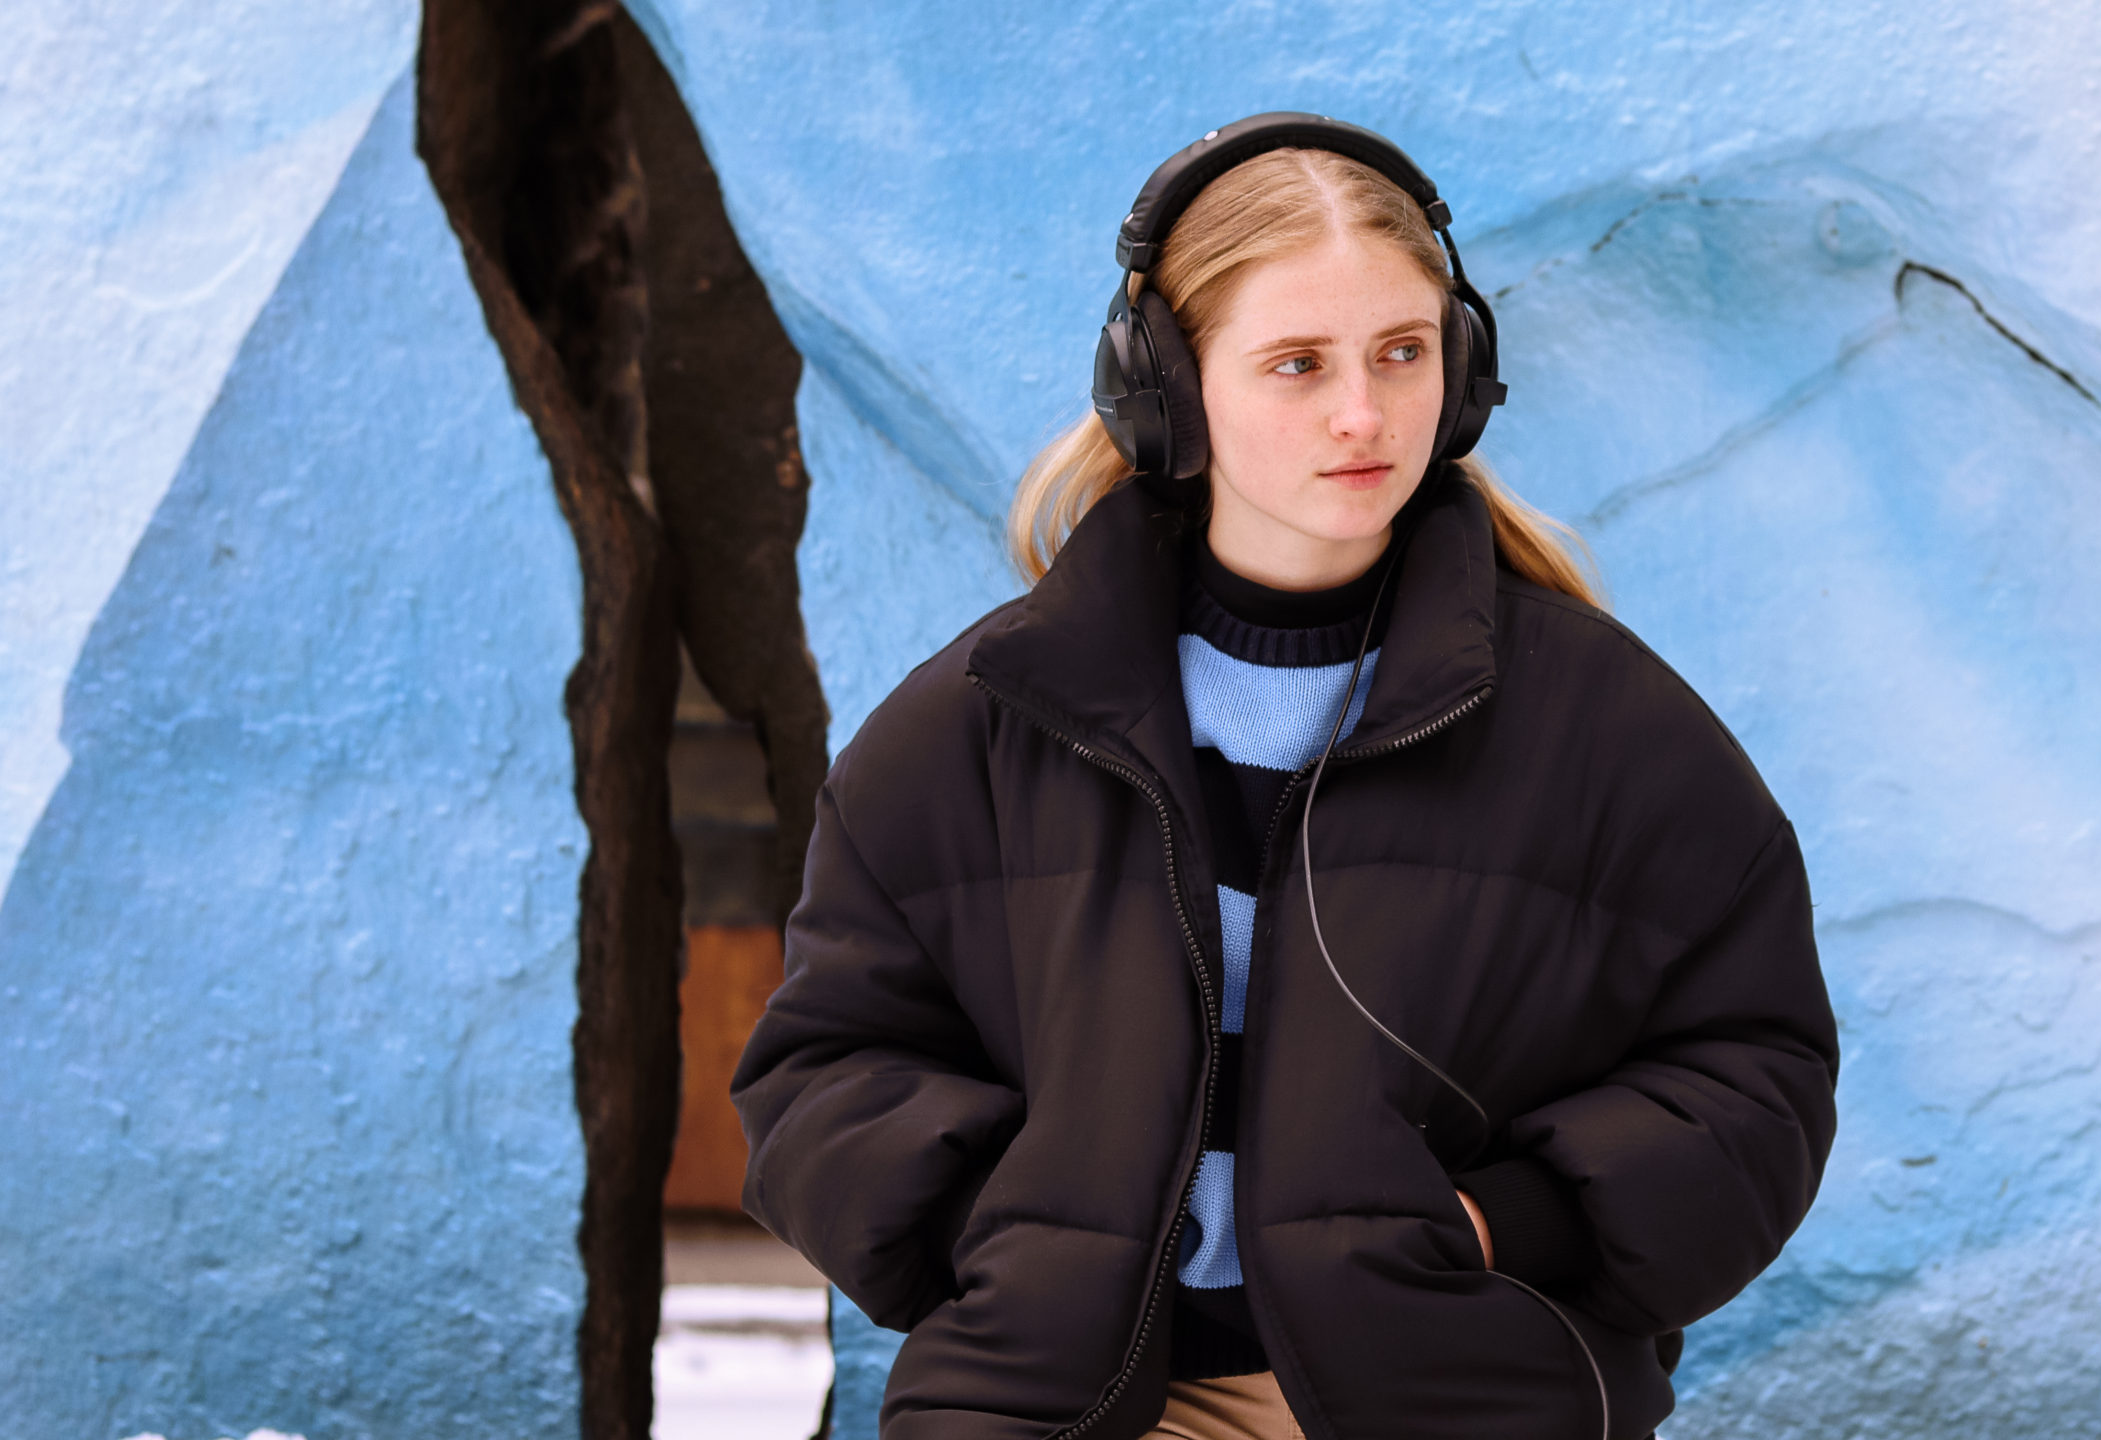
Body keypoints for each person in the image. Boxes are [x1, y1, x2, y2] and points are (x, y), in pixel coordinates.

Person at [733, 114, 1839, 1440]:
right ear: (1166, 383)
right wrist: (1022, 1234)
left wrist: (1505, 1222)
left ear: (1466, 370)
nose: (1364, 414)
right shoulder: (981, 726)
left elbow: (1753, 1066)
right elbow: (825, 1070)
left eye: (1403, 353)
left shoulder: (1610, 729)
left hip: (1447, 1396)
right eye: (1298, 364)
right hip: (1059, 1400)